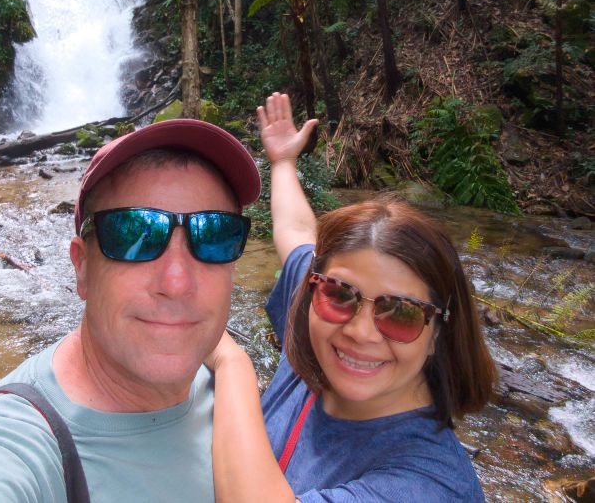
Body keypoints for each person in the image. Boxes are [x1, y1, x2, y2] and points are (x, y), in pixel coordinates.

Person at [0, 118, 260, 502]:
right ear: (82, 266)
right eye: (133, 234)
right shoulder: (11, 442)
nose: (177, 283)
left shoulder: (227, 388)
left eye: (214, 235)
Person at [206, 92, 495, 502]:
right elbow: (296, 232)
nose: (359, 331)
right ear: (315, 290)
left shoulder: (432, 484)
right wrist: (284, 163)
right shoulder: (314, 320)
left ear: (438, 332)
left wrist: (230, 362)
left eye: (401, 312)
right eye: (342, 293)